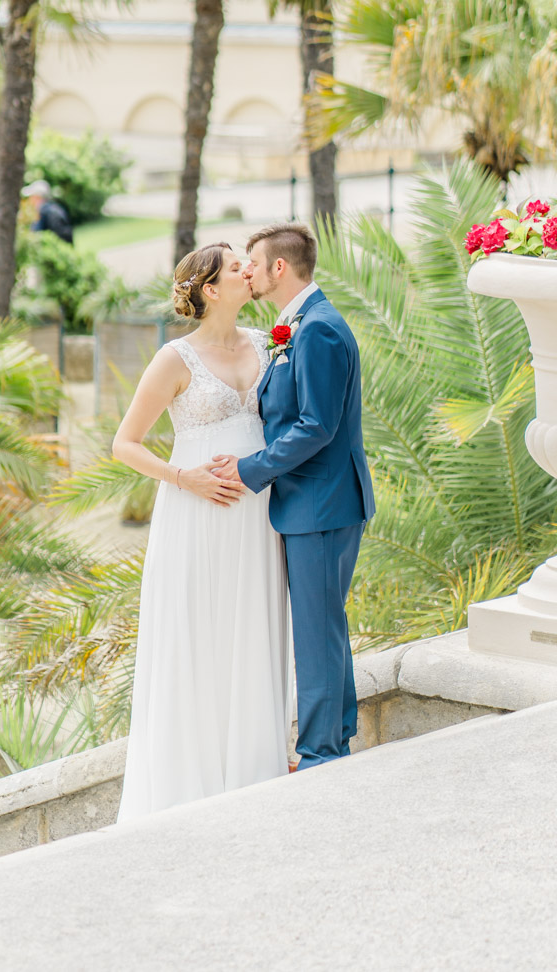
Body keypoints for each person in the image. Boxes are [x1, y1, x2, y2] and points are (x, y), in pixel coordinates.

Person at [113, 242, 291, 821]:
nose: (249, 269)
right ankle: (190, 783)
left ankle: (251, 770)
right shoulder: (174, 358)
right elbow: (125, 443)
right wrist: (182, 477)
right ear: (211, 289)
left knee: (252, 625)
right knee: (198, 632)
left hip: (257, 514)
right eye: (238, 266)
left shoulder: (269, 344)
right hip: (196, 512)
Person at [212, 222, 374, 770]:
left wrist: (250, 469)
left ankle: (321, 753)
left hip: (323, 504)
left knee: (315, 628)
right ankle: (338, 734)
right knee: (322, 622)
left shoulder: (318, 330)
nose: (248, 272)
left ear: (279, 268)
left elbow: (316, 426)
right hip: (312, 503)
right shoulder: (298, 325)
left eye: (253, 264)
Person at [22, 179, 73, 243]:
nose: (29, 200)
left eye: (31, 197)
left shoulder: (42, 212)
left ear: (36, 197)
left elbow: (34, 236)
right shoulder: (55, 207)